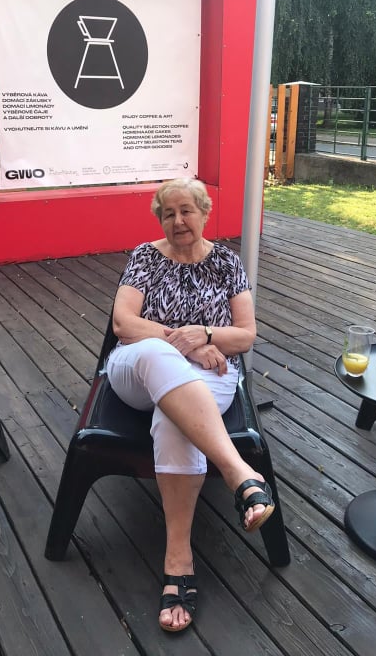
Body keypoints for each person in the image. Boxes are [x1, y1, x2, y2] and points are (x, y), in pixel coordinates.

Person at [106, 177, 275, 634]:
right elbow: (123, 324)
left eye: (187, 211)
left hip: (210, 376)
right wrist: (186, 344)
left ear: (204, 212)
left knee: (172, 420)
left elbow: (245, 335)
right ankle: (238, 472)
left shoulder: (227, 263)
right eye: (169, 213)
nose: (178, 220)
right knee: (156, 355)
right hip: (137, 368)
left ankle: (178, 561)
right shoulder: (145, 257)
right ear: (160, 219)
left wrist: (207, 334)